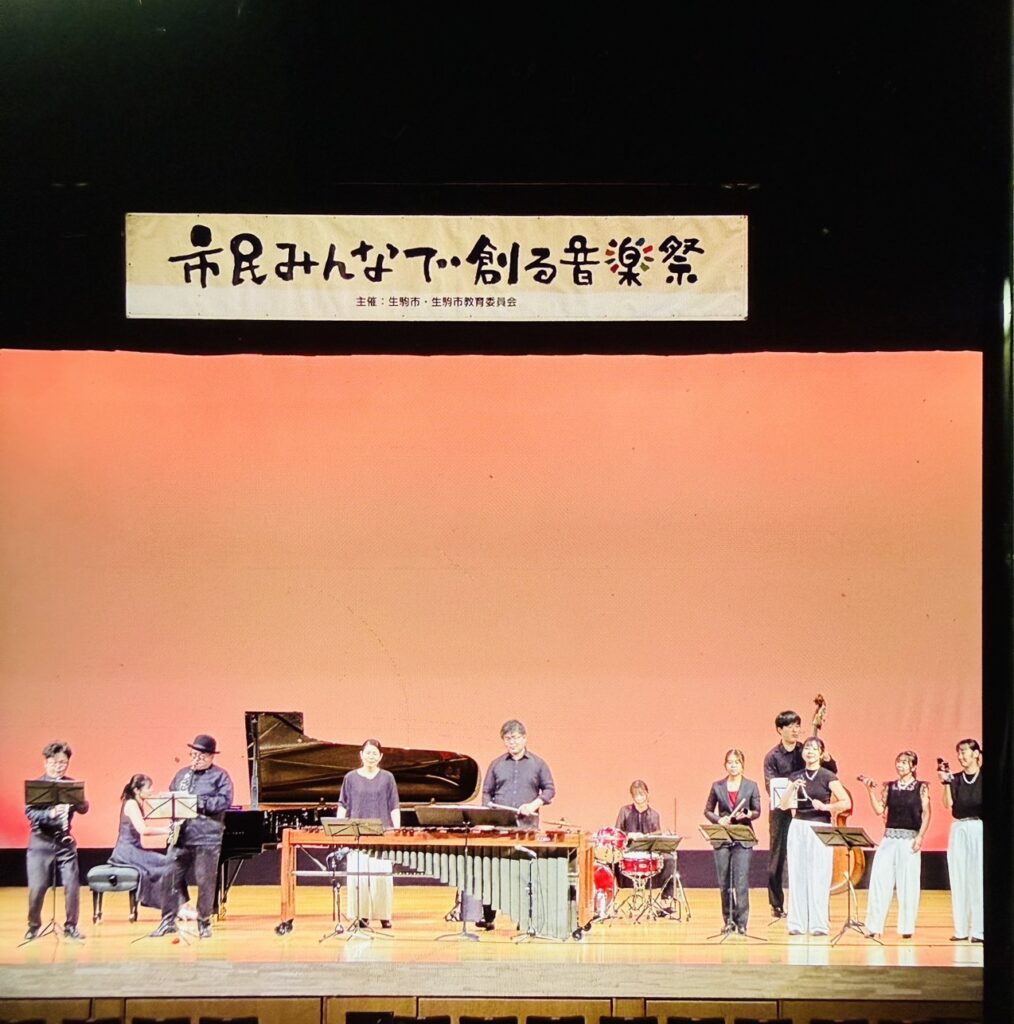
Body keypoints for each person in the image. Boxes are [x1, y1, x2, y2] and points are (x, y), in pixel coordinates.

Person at [151, 734, 233, 939]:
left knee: (205, 882)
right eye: (193, 755)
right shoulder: (181, 775)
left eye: (200, 756)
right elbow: (171, 798)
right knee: (169, 877)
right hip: (181, 836)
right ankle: (167, 921)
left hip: (206, 837)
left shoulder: (221, 777)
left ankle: (204, 922)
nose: (195, 759)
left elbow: (223, 802)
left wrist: (196, 802)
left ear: (211, 757)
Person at [477, 718, 556, 930]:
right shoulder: (496, 764)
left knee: (524, 875)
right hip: (500, 827)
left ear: (524, 738)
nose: (512, 742)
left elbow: (549, 790)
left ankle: (524, 917)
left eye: (515, 738)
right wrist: (487, 816)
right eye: (507, 739)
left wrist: (534, 804)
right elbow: (487, 792)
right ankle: (488, 917)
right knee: (493, 873)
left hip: (526, 828)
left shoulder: (538, 764)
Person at [763, 710, 837, 919]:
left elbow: (829, 772)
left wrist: (827, 758)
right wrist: (790, 792)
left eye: (798, 726)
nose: (796, 730)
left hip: (808, 811)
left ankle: (811, 904)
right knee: (777, 859)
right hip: (783, 809)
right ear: (780, 730)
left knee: (811, 860)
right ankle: (777, 904)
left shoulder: (805, 750)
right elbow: (771, 786)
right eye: (790, 726)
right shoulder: (772, 757)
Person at [779, 735, 850, 936]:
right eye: (807, 748)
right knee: (797, 874)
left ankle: (819, 924)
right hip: (798, 825)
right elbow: (784, 805)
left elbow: (846, 802)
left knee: (820, 874)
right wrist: (791, 788)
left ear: (821, 753)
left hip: (820, 827)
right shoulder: (795, 776)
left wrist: (826, 807)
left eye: (814, 748)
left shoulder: (828, 776)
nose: (809, 752)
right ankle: (797, 923)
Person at [24, 741, 89, 941]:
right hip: (40, 841)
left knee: (72, 885)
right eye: (54, 763)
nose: (59, 767)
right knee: (37, 887)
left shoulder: (70, 785)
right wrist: (51, 813)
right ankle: (33, 926)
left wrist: (77, 801)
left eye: (63, 763)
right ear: (46, 762)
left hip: (64, 841)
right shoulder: (37, 786)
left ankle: (71, 926)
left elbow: (84, 808)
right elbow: (30, 813)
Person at [862, 751, 930, 939]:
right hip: (889, 839)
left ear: (913, 767)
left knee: (908, 884)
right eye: (899, 762)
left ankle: (906, 927)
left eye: (905, 763)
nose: (900, 765)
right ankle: (874, 926)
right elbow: (879, 810)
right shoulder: (890, 787)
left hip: (909, 839)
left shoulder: (921, 788)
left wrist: (920, 837)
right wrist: (869, 790)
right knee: (879, 881)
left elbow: (926, 813)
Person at [336, 738, 400, 928]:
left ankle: (384, 915)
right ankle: (361, 915)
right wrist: (339, 828)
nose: (371, 756)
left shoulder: (388, 777)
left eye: (375, 753)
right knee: (358, 877)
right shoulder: (350, 777)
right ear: (361, 755)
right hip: (357, 834)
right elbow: (343, 804)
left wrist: (397, 831)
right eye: (368, 753)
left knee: (382, 877)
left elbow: (394, 805)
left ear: (380, 757)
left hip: (382, 833)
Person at [110, 774, 194, 917]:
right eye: (148, 788)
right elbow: (143, 830)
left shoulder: (137, 802)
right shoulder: (131, 804)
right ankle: (176, 906)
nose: (151, 790)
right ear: (137, 790)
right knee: (168, 864)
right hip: (127, 852)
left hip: (134, 849)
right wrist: (167, 830)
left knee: (173, 863)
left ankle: (182, 904)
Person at [704, 749, 762, 934]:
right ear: (725, 765)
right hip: (723, 837)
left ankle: (742, 921)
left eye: (736, 762)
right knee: (724, 882)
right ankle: (728, 920)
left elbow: (757, 810)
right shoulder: (717, 786)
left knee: (741, 881)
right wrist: (718, 819)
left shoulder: (751, 786)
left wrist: (748, 814)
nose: (733, 766)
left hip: (743, 838)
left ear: (742, 765)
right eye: (730, 762)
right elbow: (708, 810)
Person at [939, 738, 983, 943]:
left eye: (964, 751)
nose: (960, 756)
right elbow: (948, 804)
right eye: (959, 752)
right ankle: (961, 930)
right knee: (958, 877)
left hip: (979, 826)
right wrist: (946, 783)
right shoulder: (955, 779)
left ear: (976, 753)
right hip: (959, 827)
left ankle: (980, 930)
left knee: (978, 877)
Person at [614, 780, 675, 902]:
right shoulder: (624, 811)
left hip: (649, 851)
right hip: (629, 851)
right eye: (636, 795)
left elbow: (657, 834)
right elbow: (617, 833)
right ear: (632, 796)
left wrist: (651, 836)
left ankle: (666, 898)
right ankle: (611, 898)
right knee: (611, 860)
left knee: (670, 859)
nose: (639, 798)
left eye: (641, 794)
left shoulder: (654, 814)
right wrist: (630, 835)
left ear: (647, 794)